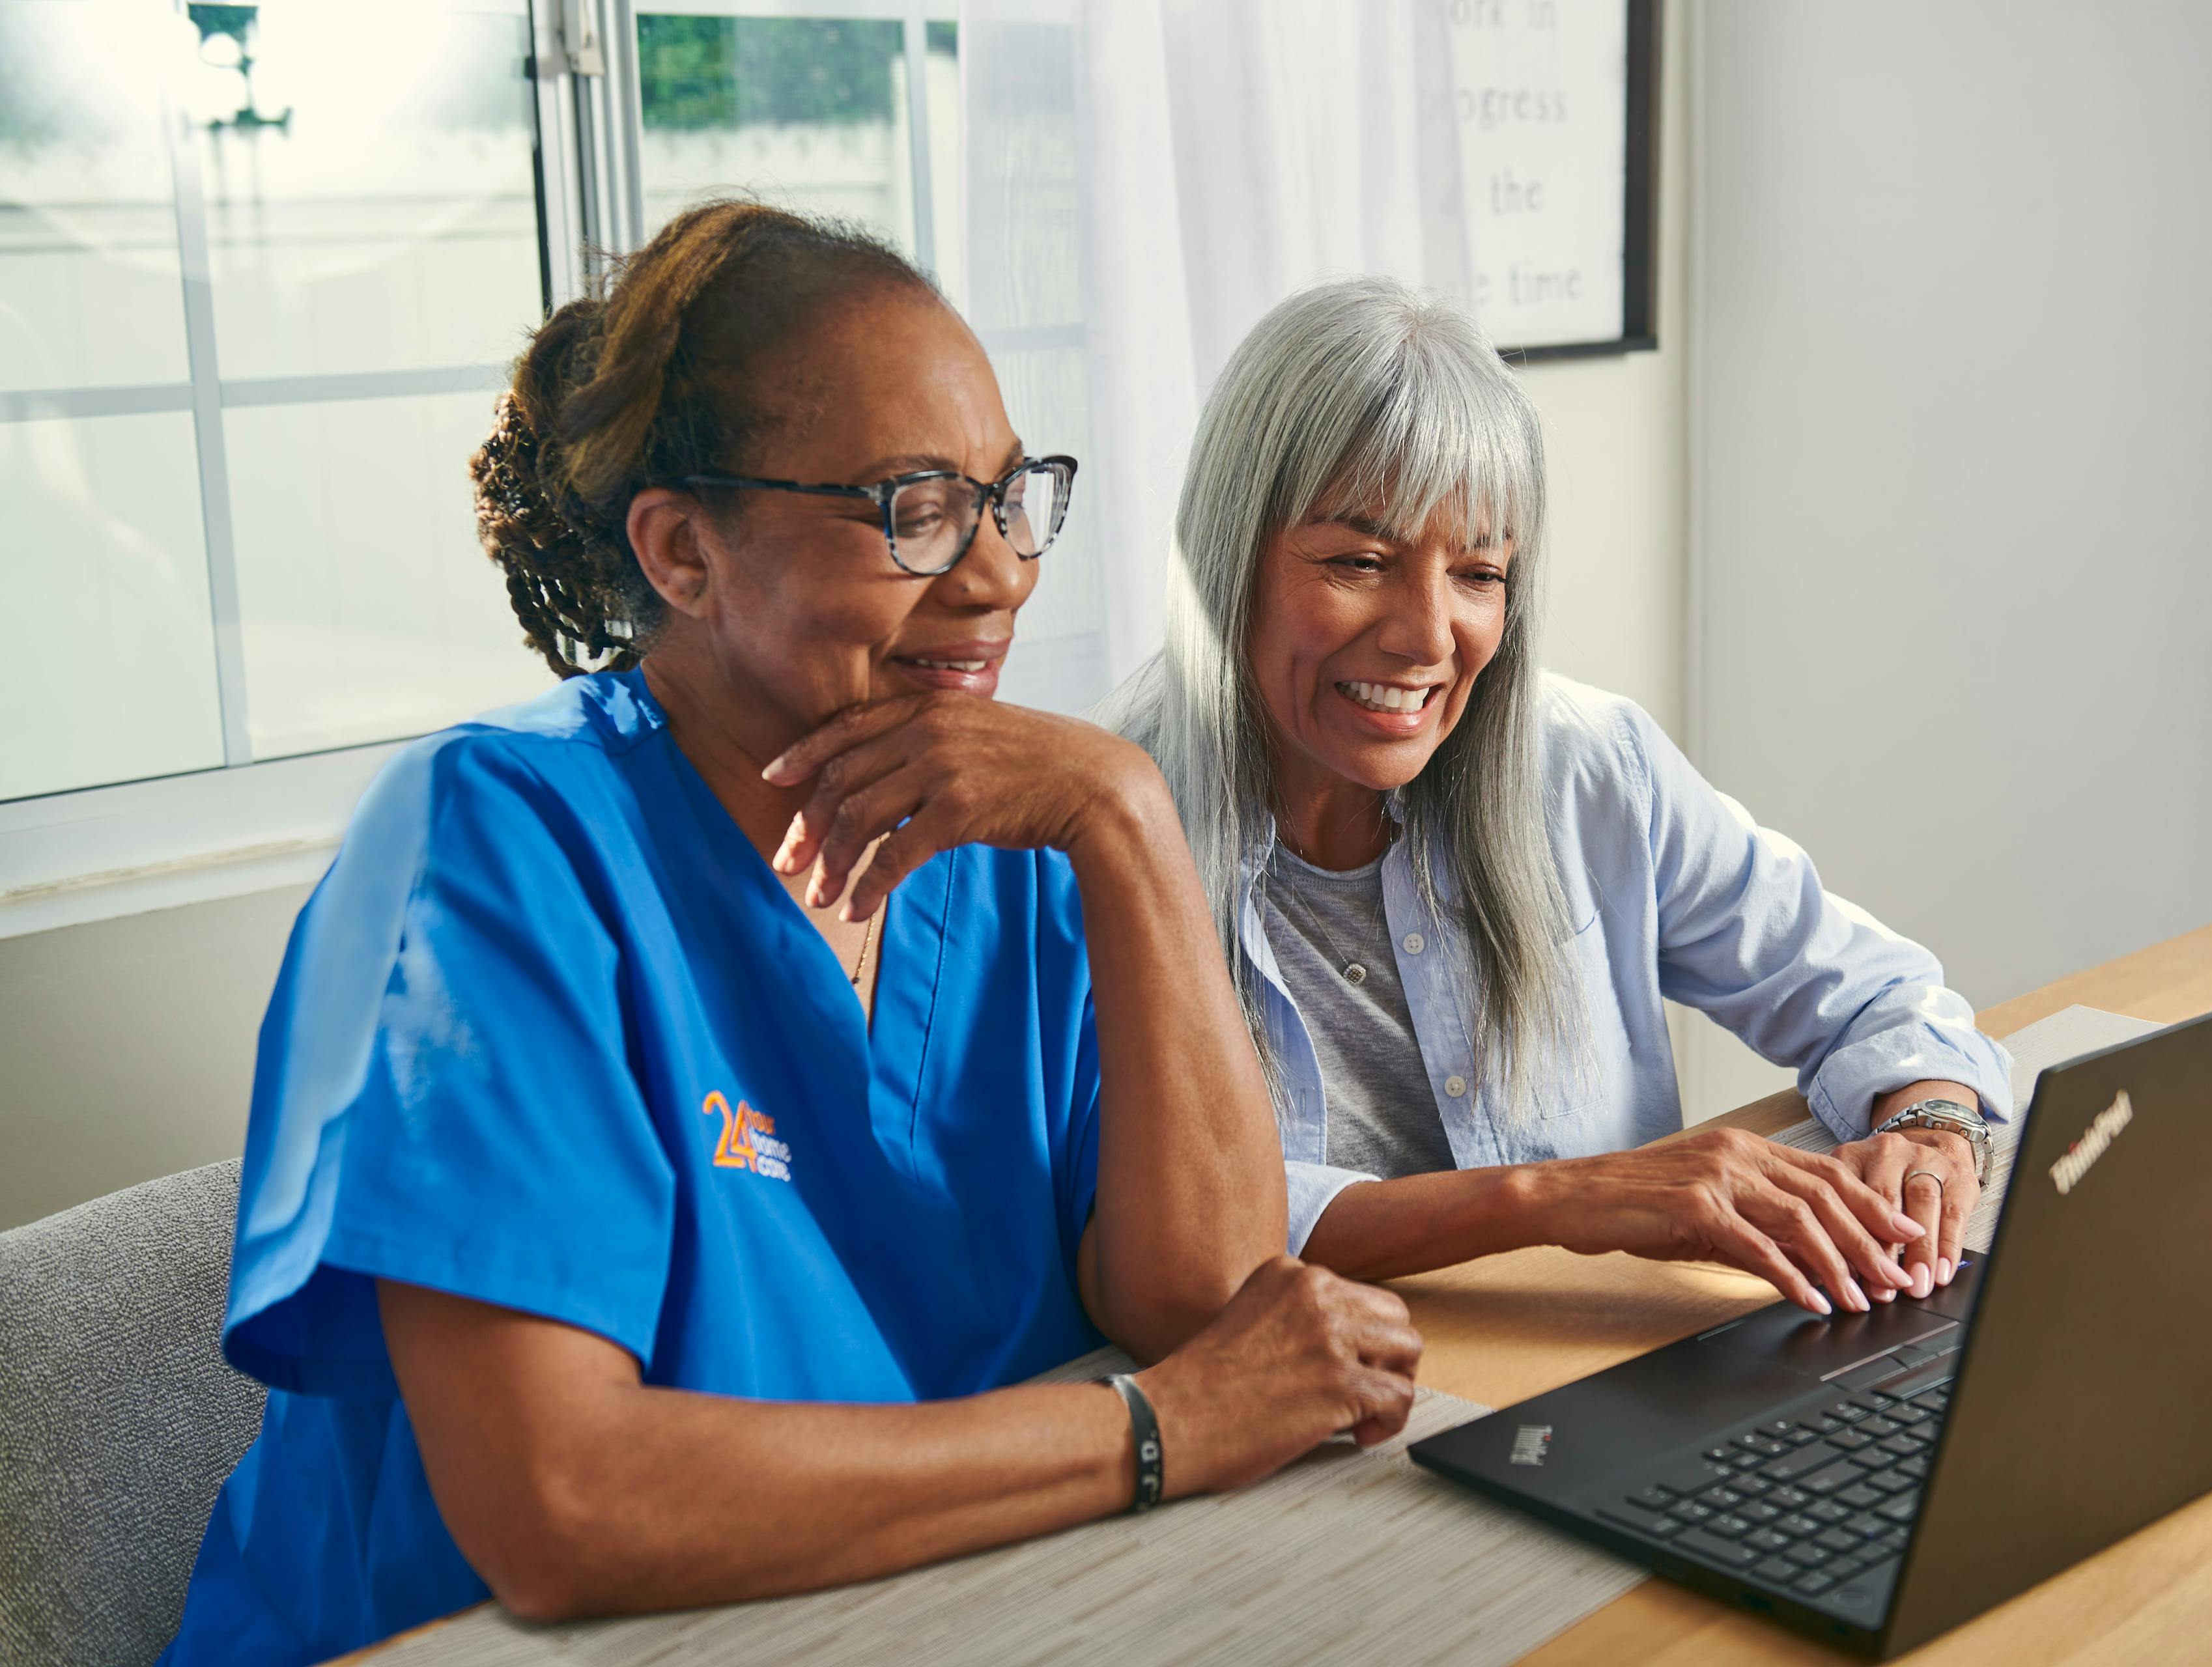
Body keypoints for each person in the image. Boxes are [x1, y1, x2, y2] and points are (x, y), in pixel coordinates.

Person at [161, 205, 1420, 1666]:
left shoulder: (1016, 838)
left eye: (1011, 500)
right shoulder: (486, 846)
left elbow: (1210, 1304)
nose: (1002, 573)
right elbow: (566, 1504)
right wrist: (1149, 1431)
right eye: (915, 509)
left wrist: (1131, 821)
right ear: (684, 552)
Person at [1103, 277, 2015, 1311]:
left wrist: (1929, 1125)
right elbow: (1151, 1226)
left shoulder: (1589, 767)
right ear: (1230, 561)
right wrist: (1552, 1198)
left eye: (1480, 574)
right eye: (1359, 560)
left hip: (1592, 1384)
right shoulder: (1097, 837)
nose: (1428, 635)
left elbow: (1876, 993)